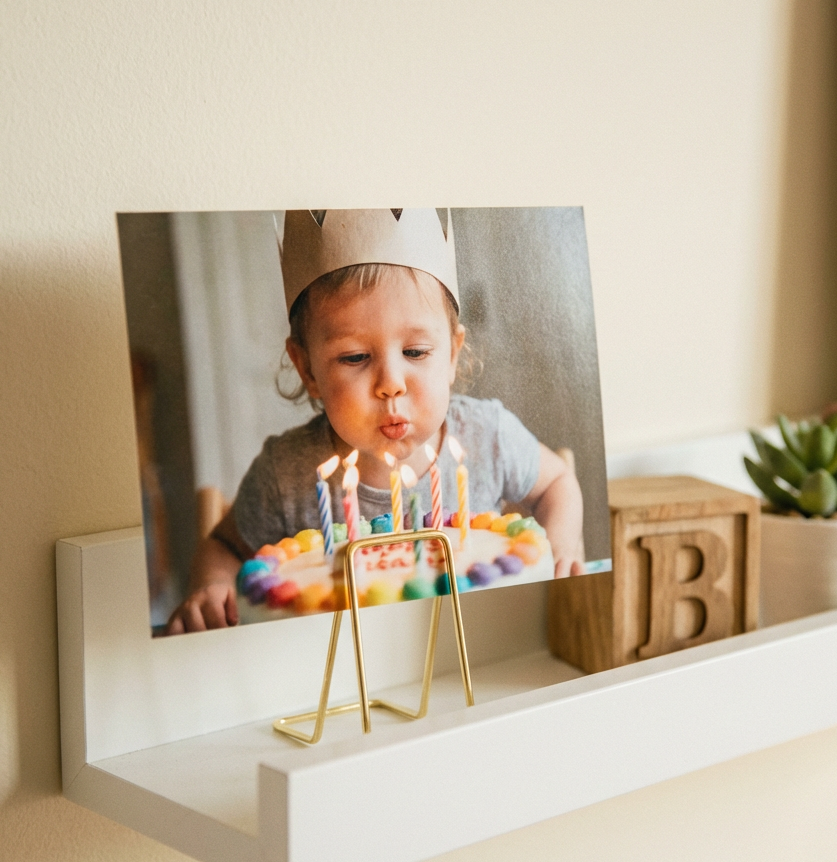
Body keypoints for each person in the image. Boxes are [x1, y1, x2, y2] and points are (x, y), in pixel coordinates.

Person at [167, 208, 585, 634]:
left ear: (453, 354)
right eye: (354, 357)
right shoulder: (285, 473)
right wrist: (213, 586)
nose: (390, 384)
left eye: (416, 352)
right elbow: (222, 545)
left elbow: (558, 483)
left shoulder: (487, 436)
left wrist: (562, 544)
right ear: (307, 368)